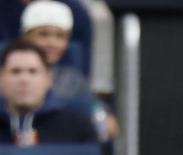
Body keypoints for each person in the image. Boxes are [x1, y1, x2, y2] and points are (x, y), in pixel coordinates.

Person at [19, 0, 116, 139]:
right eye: (43, 34)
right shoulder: (7, 73)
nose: (52, 43)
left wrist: (102, 119)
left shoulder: (74, 81)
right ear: (26, 37)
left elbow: (101, 120)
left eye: (60, 36)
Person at [0, 38, 96, 144]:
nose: (24, 79)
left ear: (48, 79)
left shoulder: (78, 127)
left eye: (33, 71)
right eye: (15, 71)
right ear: (1, 78)